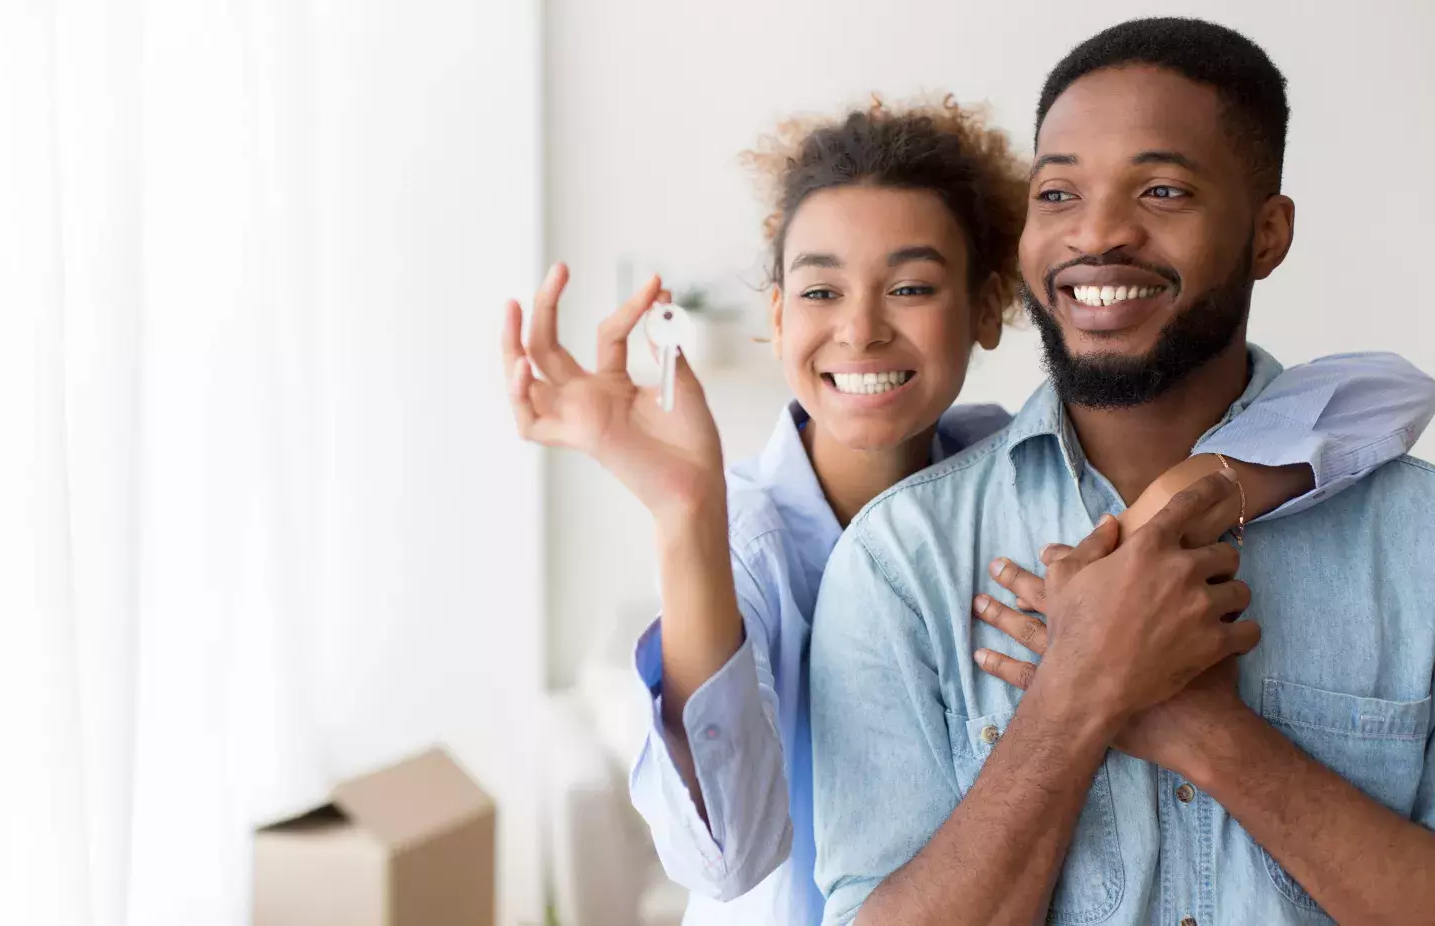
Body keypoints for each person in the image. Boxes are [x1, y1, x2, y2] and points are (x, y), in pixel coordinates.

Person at [502, 98, 1435, 926]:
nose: (863, 328)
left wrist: (1174, 503)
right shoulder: (750, 539)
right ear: (778, 315)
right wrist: (685, 508)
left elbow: (1386, 393)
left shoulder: (1009, 467)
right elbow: (723, 856)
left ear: (991, 309)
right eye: (822, 291)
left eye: (910, 288)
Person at [809, 17, 1435, 926]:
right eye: (1057, 192)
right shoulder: (902, 559)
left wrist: (1211, 735)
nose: (1097, 233)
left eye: (1164, 190)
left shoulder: (1416, 541)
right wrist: (1076, 693)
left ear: (1267, 235)